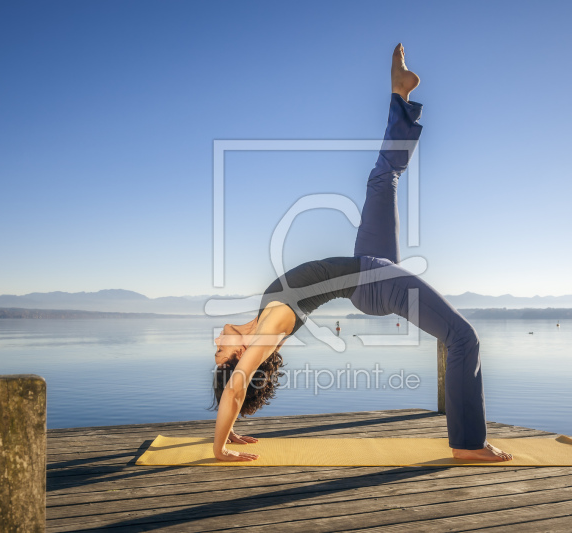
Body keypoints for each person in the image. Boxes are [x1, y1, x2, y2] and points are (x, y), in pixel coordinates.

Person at [211, 44, 512, 463]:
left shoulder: (263, 313)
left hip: (368, 269)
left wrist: (234, 428)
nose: (216, 344)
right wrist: (220, 445)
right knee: (463, 338)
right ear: (240, 354)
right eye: (219, 353)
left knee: (381, 179)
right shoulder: (267, 332)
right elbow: (238, 385)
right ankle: (467, 444)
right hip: (373, 284)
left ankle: (400, 94)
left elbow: (239, 386)